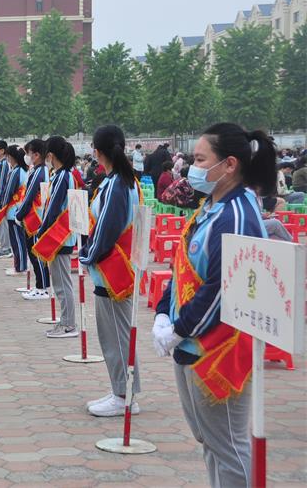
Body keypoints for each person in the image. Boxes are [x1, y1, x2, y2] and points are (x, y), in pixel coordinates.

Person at [152, 123, 276, 488]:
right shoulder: (211, 206)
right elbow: (182, 263)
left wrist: (178, 329)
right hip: (191, 343)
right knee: (211, 441)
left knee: (229, 447)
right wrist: (163, 311)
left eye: (200, 160)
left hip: (217, 349)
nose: (192, 168)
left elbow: (222, 288)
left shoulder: (236, 215)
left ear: (229, 165)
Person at [79, 125, 142, 417]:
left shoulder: (118, 184)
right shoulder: (121, 181)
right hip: (114, 268)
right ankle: (122, 389)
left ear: (97, 151)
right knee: (118, 335)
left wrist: (87, 256)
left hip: (112, 270)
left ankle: (123, 395)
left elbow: (106, 230)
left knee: (116, 337)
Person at [34, 137, 79, 337]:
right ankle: (65, 321)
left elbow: (53, 209)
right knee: (61, 283)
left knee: (62, 284)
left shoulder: (63, 177)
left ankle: (68, 324)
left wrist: (41, 231)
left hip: (59, 236)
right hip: (59, 236)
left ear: (51, 155)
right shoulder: (61, 175)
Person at [15, 139, 52, 299]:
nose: (27, 156)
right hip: (34, 216)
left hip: (35, 218)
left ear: (36, 155)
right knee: (33, 254)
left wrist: (19, 215)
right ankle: (39, 286)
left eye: (29, 153)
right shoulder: (38, 170)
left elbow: (29, 196)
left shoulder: (39, 172)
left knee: (36, 254)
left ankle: (42, 288)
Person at [0, 145, 28, 277]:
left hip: (13, 210)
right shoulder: (22, 170)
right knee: (17, 240)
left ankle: (20, 267)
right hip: (18, 209)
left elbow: (8, 191)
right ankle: (18, 265)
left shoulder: (16, 172)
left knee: (17, 241)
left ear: (12, 157)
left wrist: (1, 204)